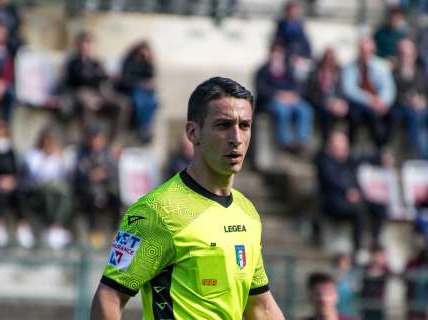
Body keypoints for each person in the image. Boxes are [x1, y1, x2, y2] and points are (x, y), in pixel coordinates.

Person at [91, 77, 285, 319]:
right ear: (193, 133)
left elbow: (260, 306)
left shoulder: (247, 212)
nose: (236, 137)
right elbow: (109, 296)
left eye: (244, 125)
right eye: (223, 125)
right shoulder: (156, 211)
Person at [315, 131, 389, 256]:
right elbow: (331, 180)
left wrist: (381, 158)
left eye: (344, 147)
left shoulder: (349, 159)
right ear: (330, 146)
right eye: (337, 147)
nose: (341, 150)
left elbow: (365, 158)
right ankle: (358, 249)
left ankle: (375, 240)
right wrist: (348, 190)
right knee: (358, 210)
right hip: (333, 201)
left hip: (353, 198)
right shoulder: (323, 160)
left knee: (380, 207)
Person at [61, 31, 129, 141]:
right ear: (78, 45)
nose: (86, 47)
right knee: (85, 102)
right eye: (83, 43)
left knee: (123, 104)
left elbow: (104, 80)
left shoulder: (96, 63)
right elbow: (69, 83)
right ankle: (89, 141)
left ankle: (114, 141)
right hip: (80, 95)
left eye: (88, 43)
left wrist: (102, 94)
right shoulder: (72, 63)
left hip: (98, 94)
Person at [255, 41, 313, 153]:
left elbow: (299, 86)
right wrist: (277, 95)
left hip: (290, 99)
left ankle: (301, 141)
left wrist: (293, 95)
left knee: (305, 110)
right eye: (274, 53)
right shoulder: (262, 70)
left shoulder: (289, 69)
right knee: (282, 110)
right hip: (272, 101)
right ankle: (286, 142)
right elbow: (261, 89)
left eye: (279, 53)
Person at [0, 119, 33, 248]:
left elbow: (16, 170)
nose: (0, 132)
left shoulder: (10, 149)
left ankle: (22, 225)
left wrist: (12, 180)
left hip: (10, 183)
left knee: (19, 193)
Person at [342, 36, 396, 149]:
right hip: (360, 104)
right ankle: (351, 148)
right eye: (362, 50)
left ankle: (384, 148)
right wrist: (370, 100)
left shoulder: (381, 66)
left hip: (379, 103)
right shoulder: (350, 67)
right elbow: (350, 90)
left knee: (394, 115)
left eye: (367, 51)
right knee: (359, 115)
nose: (365, 54)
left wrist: (382, 101)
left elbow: (388, 88)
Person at [22, 128, 72, 250]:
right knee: (51, 193)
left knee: (64, 194)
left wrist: (59, 158)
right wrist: (45, 158)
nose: (48, 144)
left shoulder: (57, 156)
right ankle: (51, 226)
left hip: (54, 190)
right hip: (35, 189)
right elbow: (36, 175)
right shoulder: (33, 155)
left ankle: (55, 227)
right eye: (46, 140)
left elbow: (63, 176)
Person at [391, 38, 428, 160]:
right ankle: (418, 157)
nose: (405, 57)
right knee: (415, 118)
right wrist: (407, 101)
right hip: (403, 109)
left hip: (423, 108)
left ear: (414, 55)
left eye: (408, 54)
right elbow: (391, 95)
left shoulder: (422, 73)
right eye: (402, 54)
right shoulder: (393, 73)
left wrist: (423, 101)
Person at [74, 125, 120, 248]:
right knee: (91, 198)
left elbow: (113, 171)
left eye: (98, 138)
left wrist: (102, 174)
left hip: (104, 189)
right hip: (87, 190)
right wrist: (92, 175)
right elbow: (80, 173)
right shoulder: (82, 153)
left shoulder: (107, 154)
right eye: (93, 138)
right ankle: (94, 232)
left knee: (116, 198)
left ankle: (115, 232)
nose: (95, 141)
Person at [305, 47, 349, 143]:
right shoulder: (315, 72)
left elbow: (343, 91)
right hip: (321, 103)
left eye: (331, 59)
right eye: (327, 59)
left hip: (336, 103)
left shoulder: (339, 72)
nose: (329, 61)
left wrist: (341, 103)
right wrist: (328, 103)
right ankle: (327, 142)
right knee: (326, 113)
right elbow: (311, 93)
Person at [118, 41, 158, 143]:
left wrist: (148, 60)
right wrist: (141, 84)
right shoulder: (128, 62)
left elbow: (151, 76)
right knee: (139, 102)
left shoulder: (146, 63)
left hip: (145, 92)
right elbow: (125, 80)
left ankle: (146, 127)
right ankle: (141, 128)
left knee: (152, 103)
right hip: (130, 90)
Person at [360, 245, 392, 320]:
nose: (379, 258)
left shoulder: (387, 269)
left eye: (381, 256)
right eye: (377, 255)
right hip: (366, 305)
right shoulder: (364, 269)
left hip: (380, 305)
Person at [332, 253, 360, 320]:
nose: (343, 266)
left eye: (346, 263)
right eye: (340, 263)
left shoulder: (353, 277)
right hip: (336, 310)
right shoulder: (332, 277)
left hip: (349, 311)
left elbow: (356, 291)